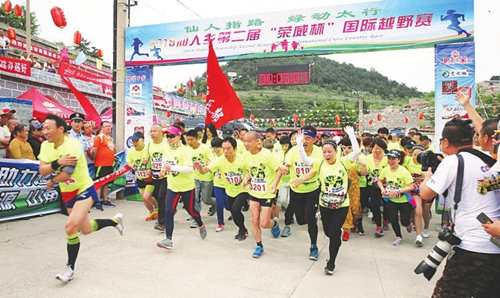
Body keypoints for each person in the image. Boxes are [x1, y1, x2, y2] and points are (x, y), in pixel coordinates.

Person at [38, 114, 124, 283]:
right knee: (85, 229)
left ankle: (69, 268)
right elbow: (43, 170)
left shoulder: (73, 145)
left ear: (61, 129)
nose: (45, 131)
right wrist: (57, 163)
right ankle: (115, 222)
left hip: (83, 189)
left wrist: (52, 178)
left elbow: (66, 174)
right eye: (43, 128)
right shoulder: (46, 147)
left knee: (70, 227)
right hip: (67, 193)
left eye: (49, 128)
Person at [420, 118, 500, 297]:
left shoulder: (453, 162)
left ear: (446, 142)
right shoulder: (490, 160)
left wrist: (427, 176)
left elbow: (426, 193)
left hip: (473, 245)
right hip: (495, 243)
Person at [290, 126, 360, 275]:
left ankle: (331, 262)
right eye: (324, 152)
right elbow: (305, 159)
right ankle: (336, 237)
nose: (327, 154)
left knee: (334, 233)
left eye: (330, 151)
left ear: (336, 152)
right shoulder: (319, 163)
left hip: (341, 205)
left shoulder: (344, 162)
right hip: (325, 204)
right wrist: (300, 144)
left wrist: (352, 136)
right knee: (329, 233)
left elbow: (356, 152)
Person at [157, 125, 207, 250]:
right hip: (172, 186)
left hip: (186, 186)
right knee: (169, 211)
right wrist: (163, 170)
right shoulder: (166, 149)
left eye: (172, 136)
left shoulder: (185, 150)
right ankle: (168, 239)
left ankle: (200, 224)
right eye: (167, 136)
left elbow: (189, 169)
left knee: (191, 210)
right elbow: (165, 163)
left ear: (179, 136)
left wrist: (171, 168)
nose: (169, 139)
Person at [281, 125, 322, 260]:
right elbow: (286, 165)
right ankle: (309, 217)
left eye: (308, 138)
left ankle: (313, 246)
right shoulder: (293, 151)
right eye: (302, 138)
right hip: (296, 191)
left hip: (312, 189)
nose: (304, 141)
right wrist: (284, 169)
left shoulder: (319, 152)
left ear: (315, 139)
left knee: (310, 219)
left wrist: (302, 179)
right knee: (300, 220)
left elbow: (314, 170)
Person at [195, 137, 249, 238]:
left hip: (243, 189)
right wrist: (200, 168)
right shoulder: (220, 160)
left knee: (236, 209)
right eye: (223, 148)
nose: (225, 151)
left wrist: (246, 177)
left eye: (228, 148)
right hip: (230, 190)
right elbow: (205, 170)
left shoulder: (242, 159)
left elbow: (249, 170)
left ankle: (242, 230)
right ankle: (242, 228)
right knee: (232, 210)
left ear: (235, 149)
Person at [242, 131, 282, 258]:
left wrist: (275, 184)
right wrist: (246, 178)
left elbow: (278, 170)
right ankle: (259, 245)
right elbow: (249, 170)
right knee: (254, 220)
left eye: (249, 141)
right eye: (244, 141)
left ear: (256, 141)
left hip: (266, 193)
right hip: (253, 191)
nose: (246, 143)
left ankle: (274, 223)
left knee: (264, 223)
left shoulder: (267, 155)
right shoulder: (246, 155)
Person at [377, 150, 414, 246]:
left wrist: (399, 191)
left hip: (404, 200)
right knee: (393, 219)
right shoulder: (385, 170)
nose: (391, 161)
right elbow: (379, 180)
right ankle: (399, 237)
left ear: (399, 160)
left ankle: (407, 224)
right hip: (391, 199)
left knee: (404, 220)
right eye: (389, 158)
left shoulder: (403, 171)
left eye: (393, 159)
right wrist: (382, 189)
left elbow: (411, 186)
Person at [186, 129, 216, 224]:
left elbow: (211, 159)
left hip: (206, 177)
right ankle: (195, 215)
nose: (190, 142)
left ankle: (216, 203)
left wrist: (209, 163)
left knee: (206, 200)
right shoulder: (187, 150)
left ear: (197, 138)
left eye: (191, 140)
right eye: (188, 140)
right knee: (194, 197)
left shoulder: (205, 148)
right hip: (194, 177)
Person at [126, 132, 158, 221]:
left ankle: (156, 208)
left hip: (150, 178)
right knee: (144, 198)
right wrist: (132, 165)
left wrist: (150, 169)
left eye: (136, 140)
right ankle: (151, 212)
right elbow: (128, 161)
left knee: (146, 196)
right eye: (133, 141)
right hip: (140, 177)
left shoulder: (148, 148)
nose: (134, 143)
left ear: (143, 140)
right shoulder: (131, 151)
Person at [142, 124, 168, 231]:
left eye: (155, 131)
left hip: (166, 175)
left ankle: (161, 222)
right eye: (151, 131)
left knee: (162, 196)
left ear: (161, 132)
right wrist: (146, 166)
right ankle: (168, 211)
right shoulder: (148, 145)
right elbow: (146, 158)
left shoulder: (167, 143)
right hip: (155, 174)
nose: (152, 133)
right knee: (157, 196)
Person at [365, 138, 389, 237]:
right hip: (372, 185)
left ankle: (386, 219)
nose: (378, 150)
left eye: (380, 148)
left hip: (386, 185)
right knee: (375, 205)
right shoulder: (368, 158)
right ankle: (379, 226)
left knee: (387, 205)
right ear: (371, 148)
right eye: (376, 148)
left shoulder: (388, 159)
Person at [92, 121, 116, 210]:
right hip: (100, 164)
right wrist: (96, 160)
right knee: (99, 183)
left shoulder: (110, 138)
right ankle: (97, 201)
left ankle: (105, 200)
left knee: (106, 183)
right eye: (106, 126)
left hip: (109, 164)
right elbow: (94, 150)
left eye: (110, 126)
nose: (109, 128)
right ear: (102, 127)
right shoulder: (99, 137)